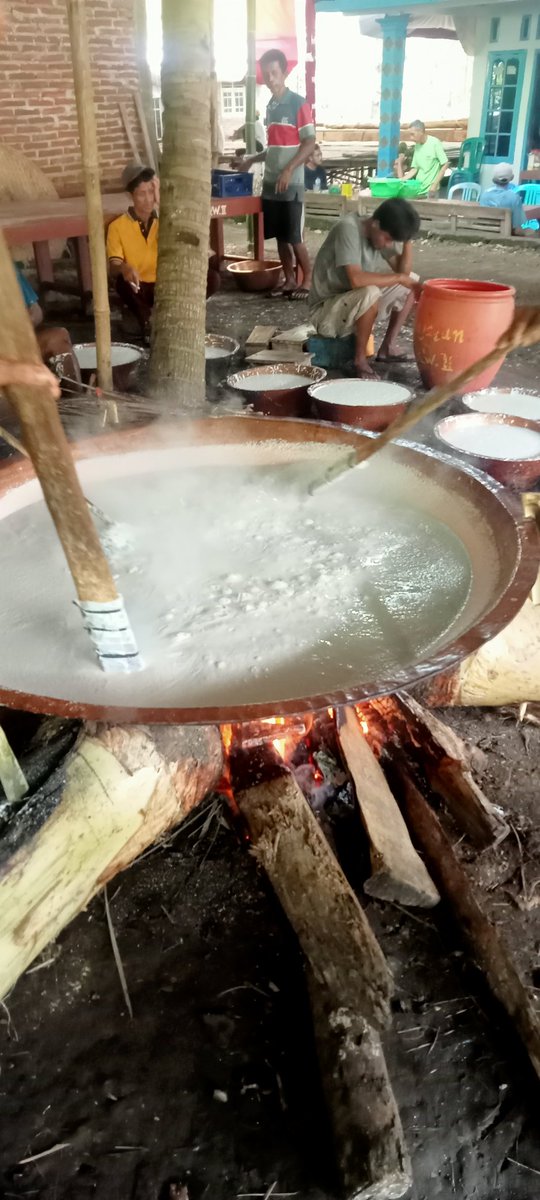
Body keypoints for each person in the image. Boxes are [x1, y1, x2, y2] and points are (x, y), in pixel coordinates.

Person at [232, 48, 316, 299]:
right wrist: (250, 160)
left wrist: (289, 169)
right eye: (266, 73)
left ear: (285, 72)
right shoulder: (271, 106)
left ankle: (307, 279)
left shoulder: (298, 103)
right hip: (271, 182)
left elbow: (309, 143)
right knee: (280, 236)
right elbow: (274, 148)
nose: (270, 78)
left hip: (291, 183)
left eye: (274, 72)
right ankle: (289, 280)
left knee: (294, 236)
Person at [309, 197, 421, 378]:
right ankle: (359, 361)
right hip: (326, 312)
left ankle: (387, 347)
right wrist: (399, 277)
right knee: (371, 291)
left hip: (353, 302)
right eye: (388, 239)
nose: (388, 244)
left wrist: (407, 239)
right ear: (375, 223)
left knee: (411, 283)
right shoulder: (348, 228)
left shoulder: (378, 232)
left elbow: (404, 273)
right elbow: (356, 279)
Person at [107, 163, 219, 340]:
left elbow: (189, 232)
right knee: (122, 282)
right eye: (141, 194)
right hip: (140, 288)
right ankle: (148, 323)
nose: (148, 199)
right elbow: (114, 266)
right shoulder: (117, 227)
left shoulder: (166, 220)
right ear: (130, 196)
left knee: (212, 277)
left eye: (151, 192)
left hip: (168, 285)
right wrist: (124, 268)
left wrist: (162, 204)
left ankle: (178, 313)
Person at [15, 265, 81, 387]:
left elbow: (36, 312)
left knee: (58, 337)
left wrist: (21, 323)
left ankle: (76, 394)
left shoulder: (7, 268)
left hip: (17, 345)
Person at [395, 121, 448, 198]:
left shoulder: (434, 143)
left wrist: (434, 185)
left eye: (412, 134)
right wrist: (402, 180)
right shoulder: (417, 146)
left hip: (430, 191)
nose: (411, 138)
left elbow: (445, 164)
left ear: (421, 132)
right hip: (418, 189)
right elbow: (414, 169)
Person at [479, 163, 525, 234]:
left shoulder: (484, 195)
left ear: (494, 179)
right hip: (505, 234)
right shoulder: (514, 197)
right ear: (512, 177)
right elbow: (517, 228)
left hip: (486, 232)